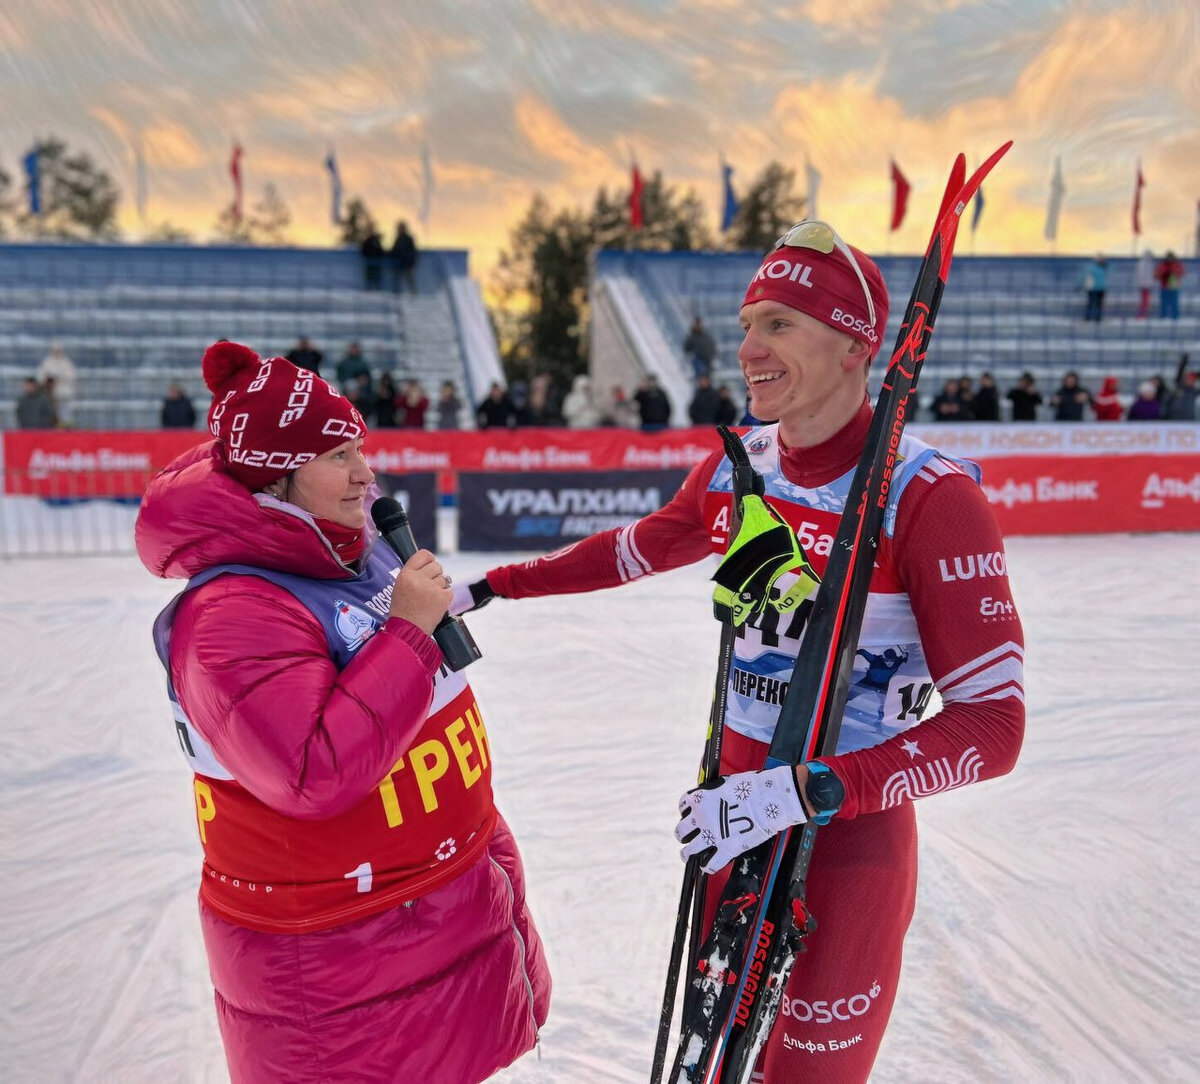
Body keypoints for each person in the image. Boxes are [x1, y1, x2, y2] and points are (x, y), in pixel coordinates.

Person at [451, 221, 1024, 1081]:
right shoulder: (740, 467)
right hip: (732, 815)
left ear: (853, 348)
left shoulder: (928, 498)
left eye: (780, 324)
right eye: (749, 322)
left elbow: (993, 728)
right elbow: (634, 547)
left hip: (845, 840)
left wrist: (806, 789)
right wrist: (493, 587)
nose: (748, 348)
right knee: (709, 1066)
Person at [134, 342, 549, 1083]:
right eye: (335, 456)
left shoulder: (356, 550)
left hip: (437, 917)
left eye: (360, 447)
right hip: (346, 966)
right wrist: (408, 634)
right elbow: (312, 774)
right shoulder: (230, 615)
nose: (366, 472)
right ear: (277, 477)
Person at [36, 343, 77, 426]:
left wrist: (59, 377)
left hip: (64, 395)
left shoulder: (66, 363)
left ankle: (66, 427)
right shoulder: (47, 363)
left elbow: (71, 376)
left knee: (66, 414)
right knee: (53, 415)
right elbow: (40, 377)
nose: (56, 353)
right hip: (51, 396)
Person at [390, 221, 418, 294]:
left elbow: (412, 251)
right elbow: (395, 250)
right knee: (398, 278)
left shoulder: (407, 239)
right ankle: (397, 293)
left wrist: (411, 261)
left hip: (407, 262)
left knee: (409, 279)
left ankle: (413, 293)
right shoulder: (399, 239)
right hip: (401, 262)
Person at [1155, 251, 1185, 319]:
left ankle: (1175, 317)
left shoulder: (1177, 264)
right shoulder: (1162, 265)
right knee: (1164, 304)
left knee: (1174, 303)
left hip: (1174, 287)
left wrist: (1174, 271)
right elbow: (1157, 275)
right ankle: (1164, 316)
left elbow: (1182, 273)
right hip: (1164, 287)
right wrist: (1164, 273)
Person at [1081, 255, 1107, 322]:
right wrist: (1080, 285)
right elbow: (1084, 276)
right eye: (1101, 260)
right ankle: (1088, 317)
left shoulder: (1105, 267)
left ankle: (1097, 318)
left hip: (1101, 289)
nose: (1102, 261)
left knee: (1099, 304)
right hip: (1092, 289)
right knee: (1090, 304)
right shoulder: (1092, 268)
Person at [1135, 249, 1155, 319]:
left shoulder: (1141, 263)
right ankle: (1142, 315)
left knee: (1144, 301)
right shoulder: (1148, 264)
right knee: (1145, 302)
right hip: (1146, 286)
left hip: (1143, 285)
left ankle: (1142, 315)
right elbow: (1149, 275)